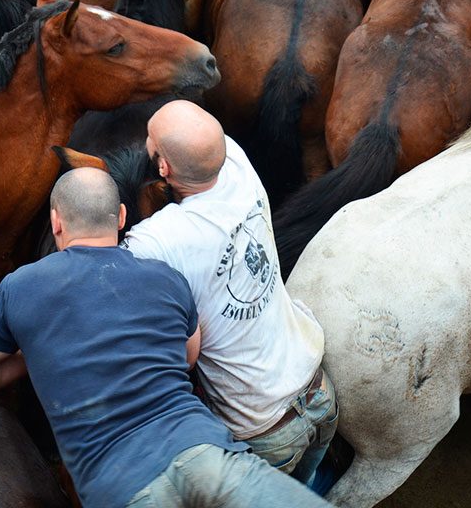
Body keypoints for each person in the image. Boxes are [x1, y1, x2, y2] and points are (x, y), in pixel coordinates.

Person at [0, 168, 331, 508]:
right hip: (207, 453)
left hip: (121, 486)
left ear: (56, 222)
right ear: (122, 217)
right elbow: (186, 357)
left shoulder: (19, 287)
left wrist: (41, 351)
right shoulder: (166, 278)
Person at [121, 100, 337, 483]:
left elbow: (103, 266)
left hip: (264, 433)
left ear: (163, 169)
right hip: (320, 392)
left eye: (150, 145)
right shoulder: (235, 160)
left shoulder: (158, 239)